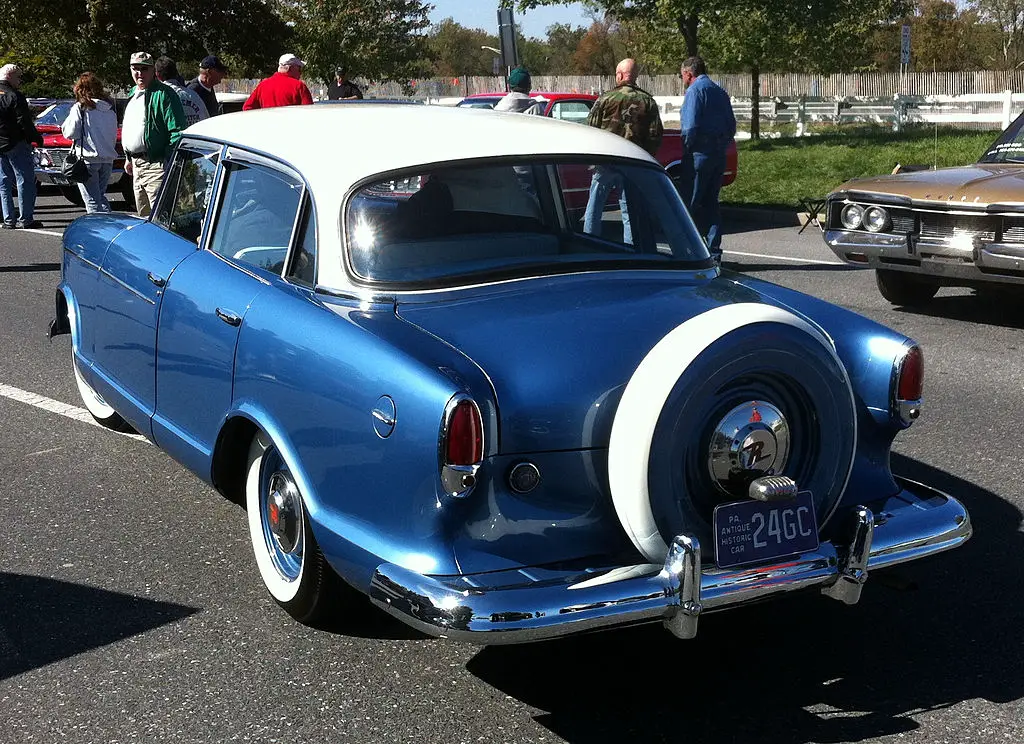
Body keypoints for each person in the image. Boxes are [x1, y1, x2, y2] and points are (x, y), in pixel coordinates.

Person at [582, 58, 663, 245]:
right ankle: (630, 249)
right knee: (628, 210)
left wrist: (593, 158)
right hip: (632, 163)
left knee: (594, 206)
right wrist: (645, 159)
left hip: (605, 161)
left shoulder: (606, 99)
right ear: (635, 76)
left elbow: (591, 128)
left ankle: (588, 244)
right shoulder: (647, 101)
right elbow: (655, 135)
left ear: (619, 75)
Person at [679, 55, 736, 261]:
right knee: (712, 204)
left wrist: (686, 148)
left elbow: (690, 126)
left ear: (689, 73)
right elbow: (731, 126)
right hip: (718, 155)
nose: (682, 79)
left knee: (690, 205)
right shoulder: (720, 92)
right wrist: (720, 145)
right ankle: (714, 252)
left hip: (698, 155)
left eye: (682, 76)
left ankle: (690, 253)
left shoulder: (695, 91)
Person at [121, 51, 187, 217]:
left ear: (153, 71)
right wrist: (129, 158)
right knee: (143, 217)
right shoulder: (133, 93)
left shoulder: (165, 94)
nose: (139, 73)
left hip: (156, 165)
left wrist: (167, 161)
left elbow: (177, 131)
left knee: (160, 218)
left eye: (144, 69)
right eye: (135, 68)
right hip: (136, 166)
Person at [60, 72, 118, 213]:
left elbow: (70, 132)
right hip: (107, 160)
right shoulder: (110, 110)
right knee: (100, 197)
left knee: (92, 200)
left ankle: (98, 230)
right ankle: (108, 224)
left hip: (88, 159)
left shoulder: (81, 108)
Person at [0, 63, 45, 229]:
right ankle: (26, 218)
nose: (20, 81)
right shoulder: (14, 95)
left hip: (0, 143)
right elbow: (23, 121)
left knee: (4, 181)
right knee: (24, 179)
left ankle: (8, 219)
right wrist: (35, 138)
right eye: (19, 77)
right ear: (10, 76)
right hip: (16, 142)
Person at [243, 54, 314, 110]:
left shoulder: (263, 85)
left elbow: (247, 108)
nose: (300, 73)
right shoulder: (299, 86)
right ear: (290, 68)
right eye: (299, 69)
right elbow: (309, 112)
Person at [154, 56, 208, 127]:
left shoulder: (158, 97)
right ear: (176, 73)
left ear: (157, 75)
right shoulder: (194, 95)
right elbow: (207, 121)